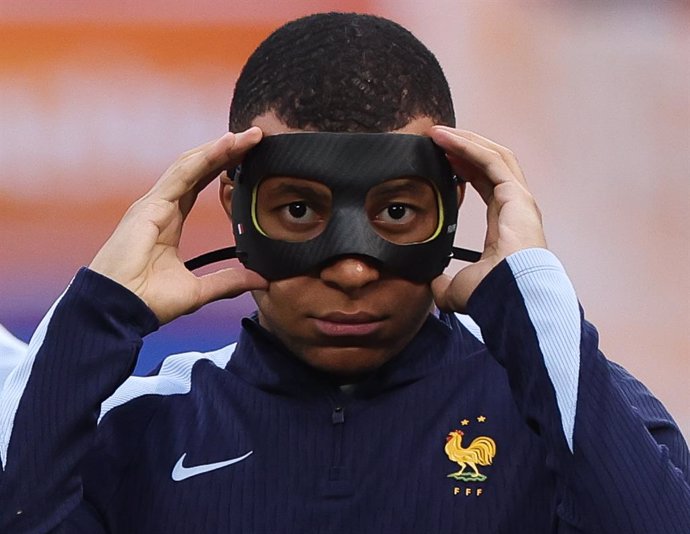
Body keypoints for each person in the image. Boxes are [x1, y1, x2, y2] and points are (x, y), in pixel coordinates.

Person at [0, 12, 688, 534]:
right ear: (232, 202)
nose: (354, 269)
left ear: (457, 204)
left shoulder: (570, 411)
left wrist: (532, 294)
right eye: (298, 209)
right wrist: (99, 314)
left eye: (396, 210)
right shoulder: (146, 425)